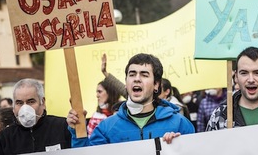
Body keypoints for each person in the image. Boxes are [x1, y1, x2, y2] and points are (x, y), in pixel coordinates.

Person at [67, 53, 195, 147]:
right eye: (132, 74)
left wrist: (179, 147)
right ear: (126, 82)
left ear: (156, 85)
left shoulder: (179, 124)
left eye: (144, 75)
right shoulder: (106, 127)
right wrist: (78, 130)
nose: (136, 79)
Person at [0, 78, 71, 154]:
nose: (25, 108)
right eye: (19, 103)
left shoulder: (62, 127)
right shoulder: (5, 139)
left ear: (42, 102)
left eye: (31, 102)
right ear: (13, 107)